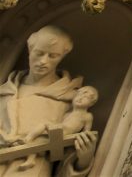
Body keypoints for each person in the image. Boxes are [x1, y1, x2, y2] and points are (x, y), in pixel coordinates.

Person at [0, 27, 97, 176]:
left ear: (62, 57)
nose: (43, 61)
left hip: (31, 170)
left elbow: (64, 157)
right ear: (29, 50)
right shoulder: (5, 92)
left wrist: (83, 159)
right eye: (39, 53)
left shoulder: (69, 100)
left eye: (52, 56)